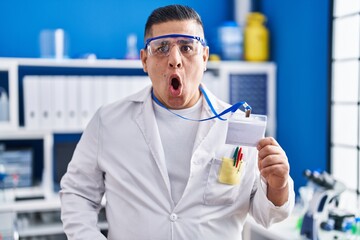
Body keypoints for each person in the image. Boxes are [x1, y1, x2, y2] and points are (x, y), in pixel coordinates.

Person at [60, 4, 295, 240]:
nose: (175, 60)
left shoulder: (237, 126)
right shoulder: (109, 122)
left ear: (204, 57)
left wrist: (279, 185)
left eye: (186, 47)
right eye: (162, 48)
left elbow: (268, 216)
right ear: (144, 60)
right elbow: (77, 194)